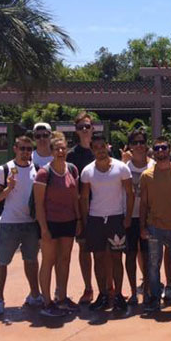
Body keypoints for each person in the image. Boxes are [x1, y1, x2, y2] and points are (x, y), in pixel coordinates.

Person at [79, 133, 133, 312]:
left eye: (103, 146)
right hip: (95, 219)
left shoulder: (121, 168)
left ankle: (118, 295)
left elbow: (130, 193)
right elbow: (85, 197)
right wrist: (85, 221)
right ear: (92, 150)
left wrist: (127, 217)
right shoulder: (87, 171)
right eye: (96, 147)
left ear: (107, 147)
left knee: (117, 258)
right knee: (98, 258)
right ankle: (103, 294)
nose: (100, 150)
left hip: (116, 218)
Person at [0, 135, 42, 316]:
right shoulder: (3, 170)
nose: (25, 152)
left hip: (30, 224)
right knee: (2, 262)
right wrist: (8, 189)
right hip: (9, 224)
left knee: (32, 261)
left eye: (29, 149)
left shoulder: (37, 169)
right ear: (15, 149)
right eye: (22, 148)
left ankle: (35, 295)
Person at [139, 137, 171, 311]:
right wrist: (142, 227)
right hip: (154, 227)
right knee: (153, 265)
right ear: (153, 151)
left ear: (170, 149)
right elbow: (144, 204)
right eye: (157, 148)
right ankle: (154, 298)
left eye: (164, 147)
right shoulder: (146, 176)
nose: (160, 151)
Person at [33, 134, 81, 317]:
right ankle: (47, 302)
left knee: (65, 260)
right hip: (50, 224)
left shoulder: (72, 169)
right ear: (51, 152)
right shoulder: (44, 173)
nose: (61, 152)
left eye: (63, 148)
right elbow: (39, 204)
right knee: (48, 261)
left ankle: (61, 297)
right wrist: (44, 229)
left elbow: (75, 198)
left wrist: (78, 219)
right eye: (57, 149)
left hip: (68, 222)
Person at [67, 111, 96, 304]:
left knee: (107, 252)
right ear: (76, 131)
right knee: (85, 249)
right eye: (81, 127)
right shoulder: (71, 156)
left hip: (105, 207)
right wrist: (78, 217)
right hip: (83, 210)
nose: (84, 130)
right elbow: (72, 188)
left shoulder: (101, 150)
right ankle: (88, 288)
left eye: (87, 126)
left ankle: (109, 287)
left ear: (93, 128)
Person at [125, 129, 153, 305]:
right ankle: (133, 292)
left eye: (142, 142)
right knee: (130, 254)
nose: (139, 145)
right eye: (135, 142)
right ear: (130, 147)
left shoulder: (153, 166)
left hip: (149, 218)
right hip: (129, 217)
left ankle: (148, 290)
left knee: (148, 255)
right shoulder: (124, 168)